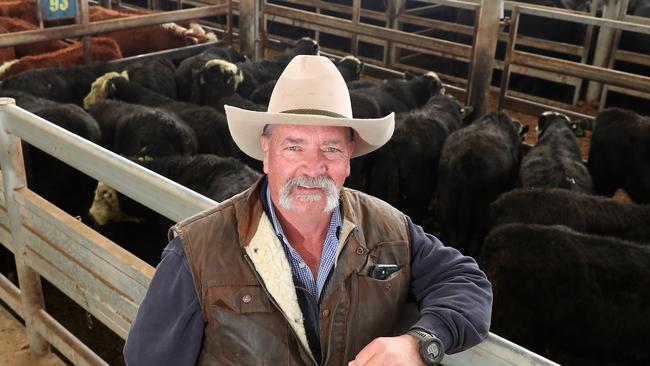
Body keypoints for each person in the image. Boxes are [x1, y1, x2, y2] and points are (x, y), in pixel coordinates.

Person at [123, 55, 492, 366]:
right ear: (265, 151)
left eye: (330, 149)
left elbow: (468, 283)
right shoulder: (196, 251)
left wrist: (420, 342)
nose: (313, 168)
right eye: (294, 147)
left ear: (350, 156)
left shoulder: (390, 229)